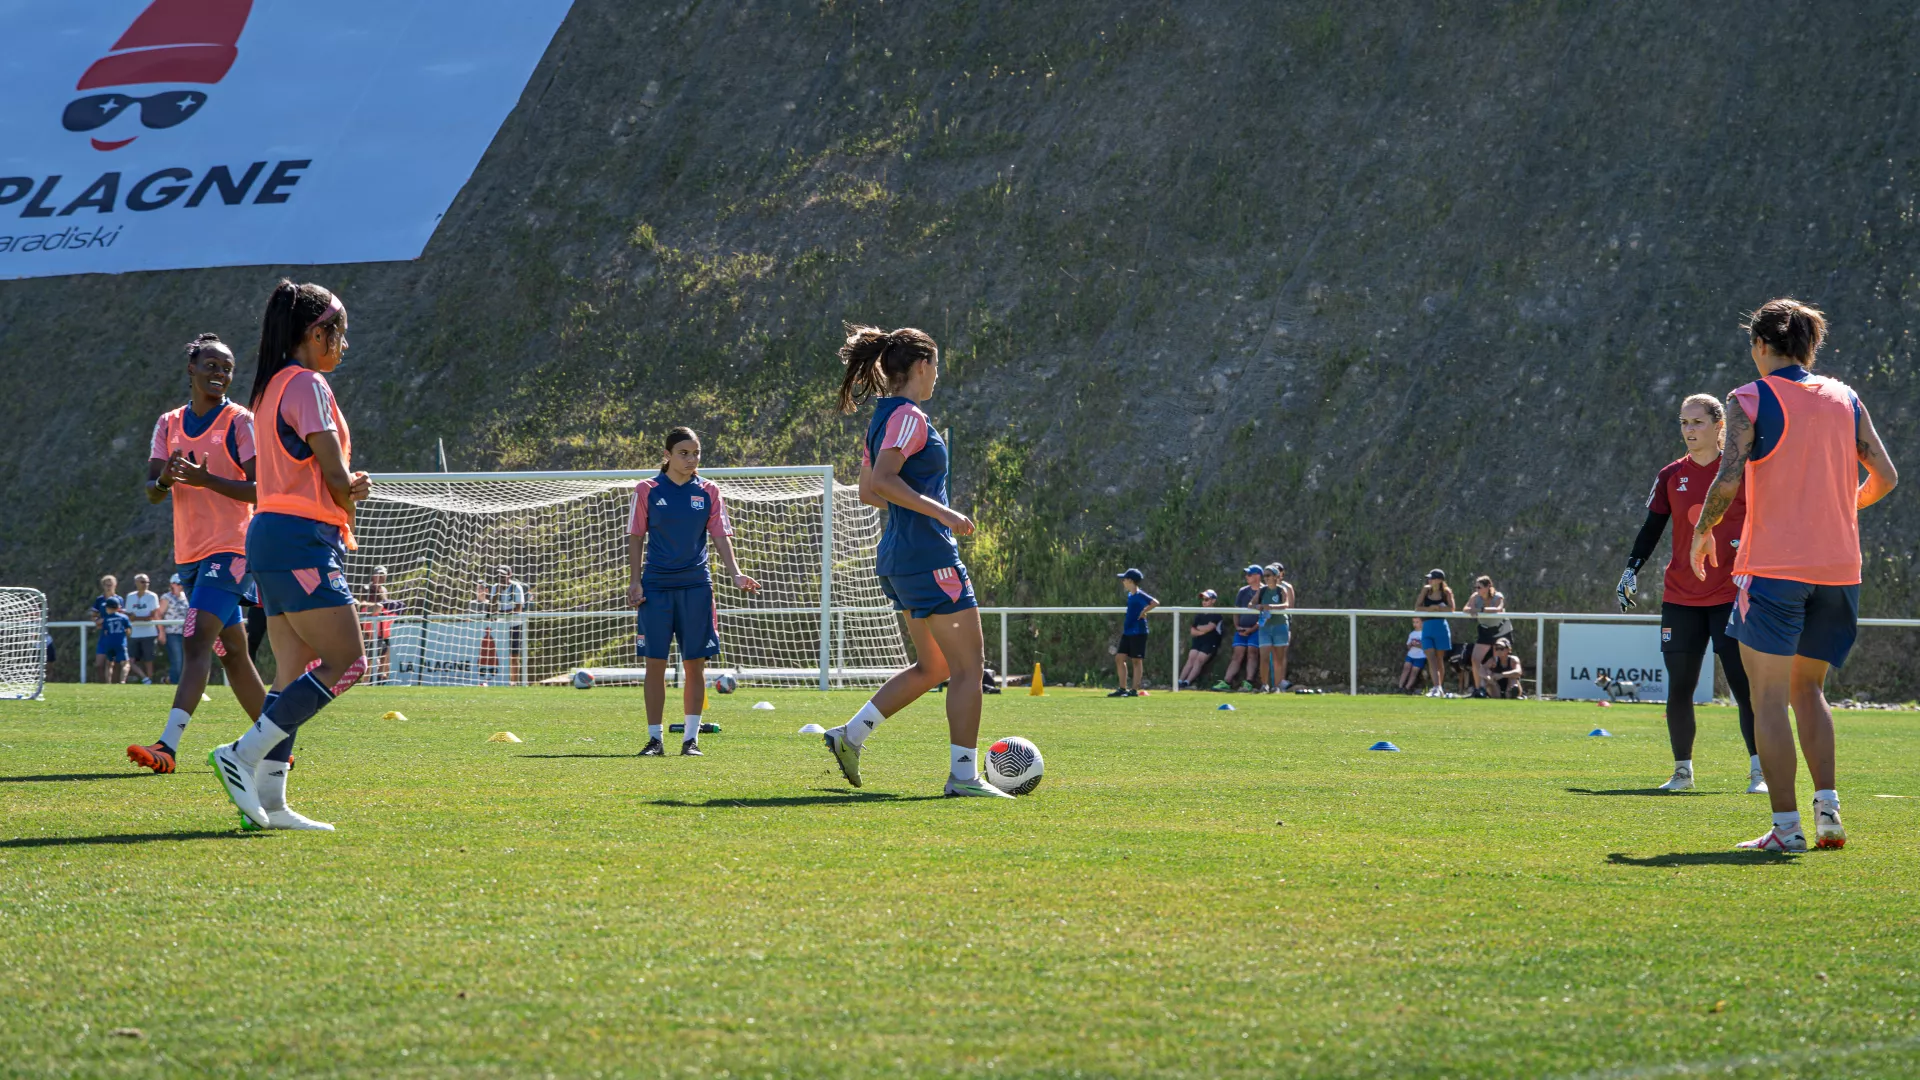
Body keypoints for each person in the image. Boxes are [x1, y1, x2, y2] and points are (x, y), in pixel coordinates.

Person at [1692, 299, 1898, 852]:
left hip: (1775, 570)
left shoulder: (1749, 398)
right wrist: (1838, 509)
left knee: (1768, 698)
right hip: (1838, 570)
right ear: (1810, 346)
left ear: (1761, 345)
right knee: (1810, 690)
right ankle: (1828, 810)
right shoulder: (1845, 398)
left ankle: (1786, 830)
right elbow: (1886, 475)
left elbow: (1728, 479)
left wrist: (1700, 531)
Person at [207, 279, 373, 833]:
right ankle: (242, 753)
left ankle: (273, 804)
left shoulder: (270, 385)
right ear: (315, 331)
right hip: (299, 538)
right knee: (349, 662)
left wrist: (342, 487)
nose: (343, 345)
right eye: (339, 333)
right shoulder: (307, 384)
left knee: (292, 671)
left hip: (274, 534)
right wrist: (354, 485)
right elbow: (332, 473)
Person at [819, 324, 1010, 798]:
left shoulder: (883, 418)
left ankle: (850, 736)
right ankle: (963, 777)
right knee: (969, 668)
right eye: (937, 367)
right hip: (930, 558)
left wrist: (916, 504)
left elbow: (869, 490)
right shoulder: (910, 416)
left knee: (935, 668)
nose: (937, 376)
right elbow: (882, 482)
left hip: (899, 560)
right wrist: (942, 512)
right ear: (922, 366)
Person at [127, 333, 270, 776]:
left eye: (226, 368)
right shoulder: (168, 423)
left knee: (195, 641)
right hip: (189, 554)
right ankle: (279, 742)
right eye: (211, 365)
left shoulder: (240, 421)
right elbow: (152, 492)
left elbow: (262, 488)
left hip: (232, 548)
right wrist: (168, 480)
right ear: (191, 368)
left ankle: (167, 746)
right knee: (235, 655)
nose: (219, 374)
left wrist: (208, 481)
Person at [1617, 392, 1761, 794]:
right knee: (1679, 685)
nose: (1689, 430)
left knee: (1742, 685)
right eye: (1683, 423)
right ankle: (1682, 772)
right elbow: (1652, 529)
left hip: (1733, 593)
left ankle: (1760, 772)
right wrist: (1631, 570)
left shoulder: (1742, 471)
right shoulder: (1670, 475)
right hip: (1680, 595)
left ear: (1720, 426)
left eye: (1697, 422)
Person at [628, 427, 760, 756]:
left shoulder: (709, 491)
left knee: (694, 665)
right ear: (667, 456)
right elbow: (635, 536)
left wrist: (736, 573)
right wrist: (635, 580)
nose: (691, 459)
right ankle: (655, 739)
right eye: (683, 453)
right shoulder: (646, 490)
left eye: (696, 453)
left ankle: (691, 740)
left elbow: (720, 535)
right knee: (654, 664)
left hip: (696, 587)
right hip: (656, 587)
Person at [1109, 568, 1157, 697]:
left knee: (1136, 660)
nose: (1123, 582)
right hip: (1128, 631)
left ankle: (1134, 690)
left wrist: (1144, 611)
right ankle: (1122, 688)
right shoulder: (1130, 595)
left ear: (1130, 581)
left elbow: (1155, 603)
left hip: (1139, 632)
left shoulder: (1140, 594)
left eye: (1124, 579)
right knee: (1119, 658)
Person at [1461, 575, 1511, 698]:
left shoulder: (1498, 596)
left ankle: (1509, 691)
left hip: (1501, 631)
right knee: (1475, 659)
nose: (1477, 589)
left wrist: (1480, 609)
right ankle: (1479, 689)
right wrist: (1473, 609)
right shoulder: (1475, 596)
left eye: (1479, 587)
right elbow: (1465, 608)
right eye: (1475, 587)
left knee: (1497, 661)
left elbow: (1498, 609)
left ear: (1488, 586)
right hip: (1485, 630)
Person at [1218, 565, 1266, 691]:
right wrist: (1237, 626)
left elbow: (1265, 615)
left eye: (1249, 574)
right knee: (1237, 655)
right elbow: (1236, 611)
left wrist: (1253, 629)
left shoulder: (1265, 591)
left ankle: (1249, 682)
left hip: (1256, 630)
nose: (1247, 577)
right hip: (1241, 629)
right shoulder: (1243, 591)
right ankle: (1226, 681)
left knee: (1252, 653)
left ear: (1258, 576)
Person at [1413, 570, 1455, 696]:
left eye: (1432, 578)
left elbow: (1452, 609)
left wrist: (1439, 609)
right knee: (1430, 657)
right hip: (1427, 627)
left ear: (1439, 580)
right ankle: (1437, 687)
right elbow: (1417, 607)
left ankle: (1438, 688)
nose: (1429, 581)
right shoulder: (1426, 590)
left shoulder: (1446, 592)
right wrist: (1429, 609)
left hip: (1440, 627)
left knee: (1438, 659)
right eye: (1429, 578)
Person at [485, 565, 528, 686]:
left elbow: (519, 609)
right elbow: (491, 608)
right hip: (500, 625)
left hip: (515, 624)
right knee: (499, 653)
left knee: (514, 654)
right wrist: (497, 594)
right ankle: (497, 681)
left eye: (504, 575)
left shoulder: (516, 587)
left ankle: (513, 683)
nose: (501, 578)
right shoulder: (495, 587)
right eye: (499, 575)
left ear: (509, 575)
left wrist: (501, 613)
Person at [1257, 562, 1294, 692]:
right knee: (1264, 657)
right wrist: (1257, 606)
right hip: (1265, 627)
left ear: (1276, 576)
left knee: (1278, 659)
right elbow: (1252, 603)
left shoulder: (1282, 589)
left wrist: (1271, 607)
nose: (1266, 578)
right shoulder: (1262, 590)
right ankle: (1264, 685)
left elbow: (1287, 605)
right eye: (1264, 575)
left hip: (1280, 626)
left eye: (1268, 575)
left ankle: (1277, 686)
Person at [1180, 589, 1225, 689]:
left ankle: (1187, 682)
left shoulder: (1216, 614)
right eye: (1203, 599)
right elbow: (1193, 631)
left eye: (1207, 599)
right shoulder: (1199, 614)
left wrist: (1199, 629)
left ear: (1213, 601)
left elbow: (1209, 628)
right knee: (1191, 657)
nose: (1204, 601)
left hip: (1211, 641)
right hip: (1199, 640)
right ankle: (1180, 680)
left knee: (1199, 660)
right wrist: (1202, 630)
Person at [360, 565, 397, 685]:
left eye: (383, 575)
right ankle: (364, 682)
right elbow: (362, 604)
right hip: (370, 628)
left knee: (385, 654)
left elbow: (385, 605)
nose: (381, 577)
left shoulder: (384, 590)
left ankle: (382, 679)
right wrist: (377, 605)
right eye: (379, 574)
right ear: (373, 575)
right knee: (370, 657)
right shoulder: (366, 588)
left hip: (382, 627)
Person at [123, 573, 162, 684]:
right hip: (134, 633)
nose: (146, 584)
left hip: (149, 632)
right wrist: (140, 618)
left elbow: (152, 615)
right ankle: (145, 678)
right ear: (136, 583)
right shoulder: (130, 596)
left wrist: (137, 618)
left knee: (149, 659)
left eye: (147, 582)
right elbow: (129, 615)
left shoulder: (152, 596)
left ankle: (150, 680)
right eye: (143, 582)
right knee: (130, 660)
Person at [90, 574, 122, 684]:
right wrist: (98, 621)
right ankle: (103, 684)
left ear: (115, 585)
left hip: (115, 635)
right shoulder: (100, 600)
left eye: (111, 584)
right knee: (99, 664)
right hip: (104, 635)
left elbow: (121, 616)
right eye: (106, 585)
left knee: (111, 663)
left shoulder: (118, 599)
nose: (108, 587)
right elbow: (94, 616)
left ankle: (112, 685)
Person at [161, 574, 188, 685]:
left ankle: (171, 681)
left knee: (185, 661)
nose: (180, 586)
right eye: (177, 583)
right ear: (172, 584)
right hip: (172, 633)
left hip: (185, 633)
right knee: (177, 660)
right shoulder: (166, 597)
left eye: (181, 584)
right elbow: (159, 615)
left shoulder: (185, 596)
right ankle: (175, 683)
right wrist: (161, 632)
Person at [98, 598, 131, 683]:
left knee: (109, 664)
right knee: (125, 663)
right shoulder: (124, 617)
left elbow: (105, 631)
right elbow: (128, 630)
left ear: (109, 608)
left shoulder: (106, 619)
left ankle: (108, 682)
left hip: (109, 643)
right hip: (120, 642)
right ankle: (122, 681)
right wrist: (126, 637)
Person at [1398, 618, 1427, 692]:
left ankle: (1407, 688)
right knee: (1406, 668)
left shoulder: (1425, 634)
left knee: (1414, 672)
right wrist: (1411, 644)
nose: (1415, 624)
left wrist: (1418, 645)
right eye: (1414, 622)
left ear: (1422, 623)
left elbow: (1425, 647)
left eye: (1417, 622)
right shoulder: (1412, 634)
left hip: (1420, 657)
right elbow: (1408, 646)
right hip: (1410, 655)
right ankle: (1400, 686)